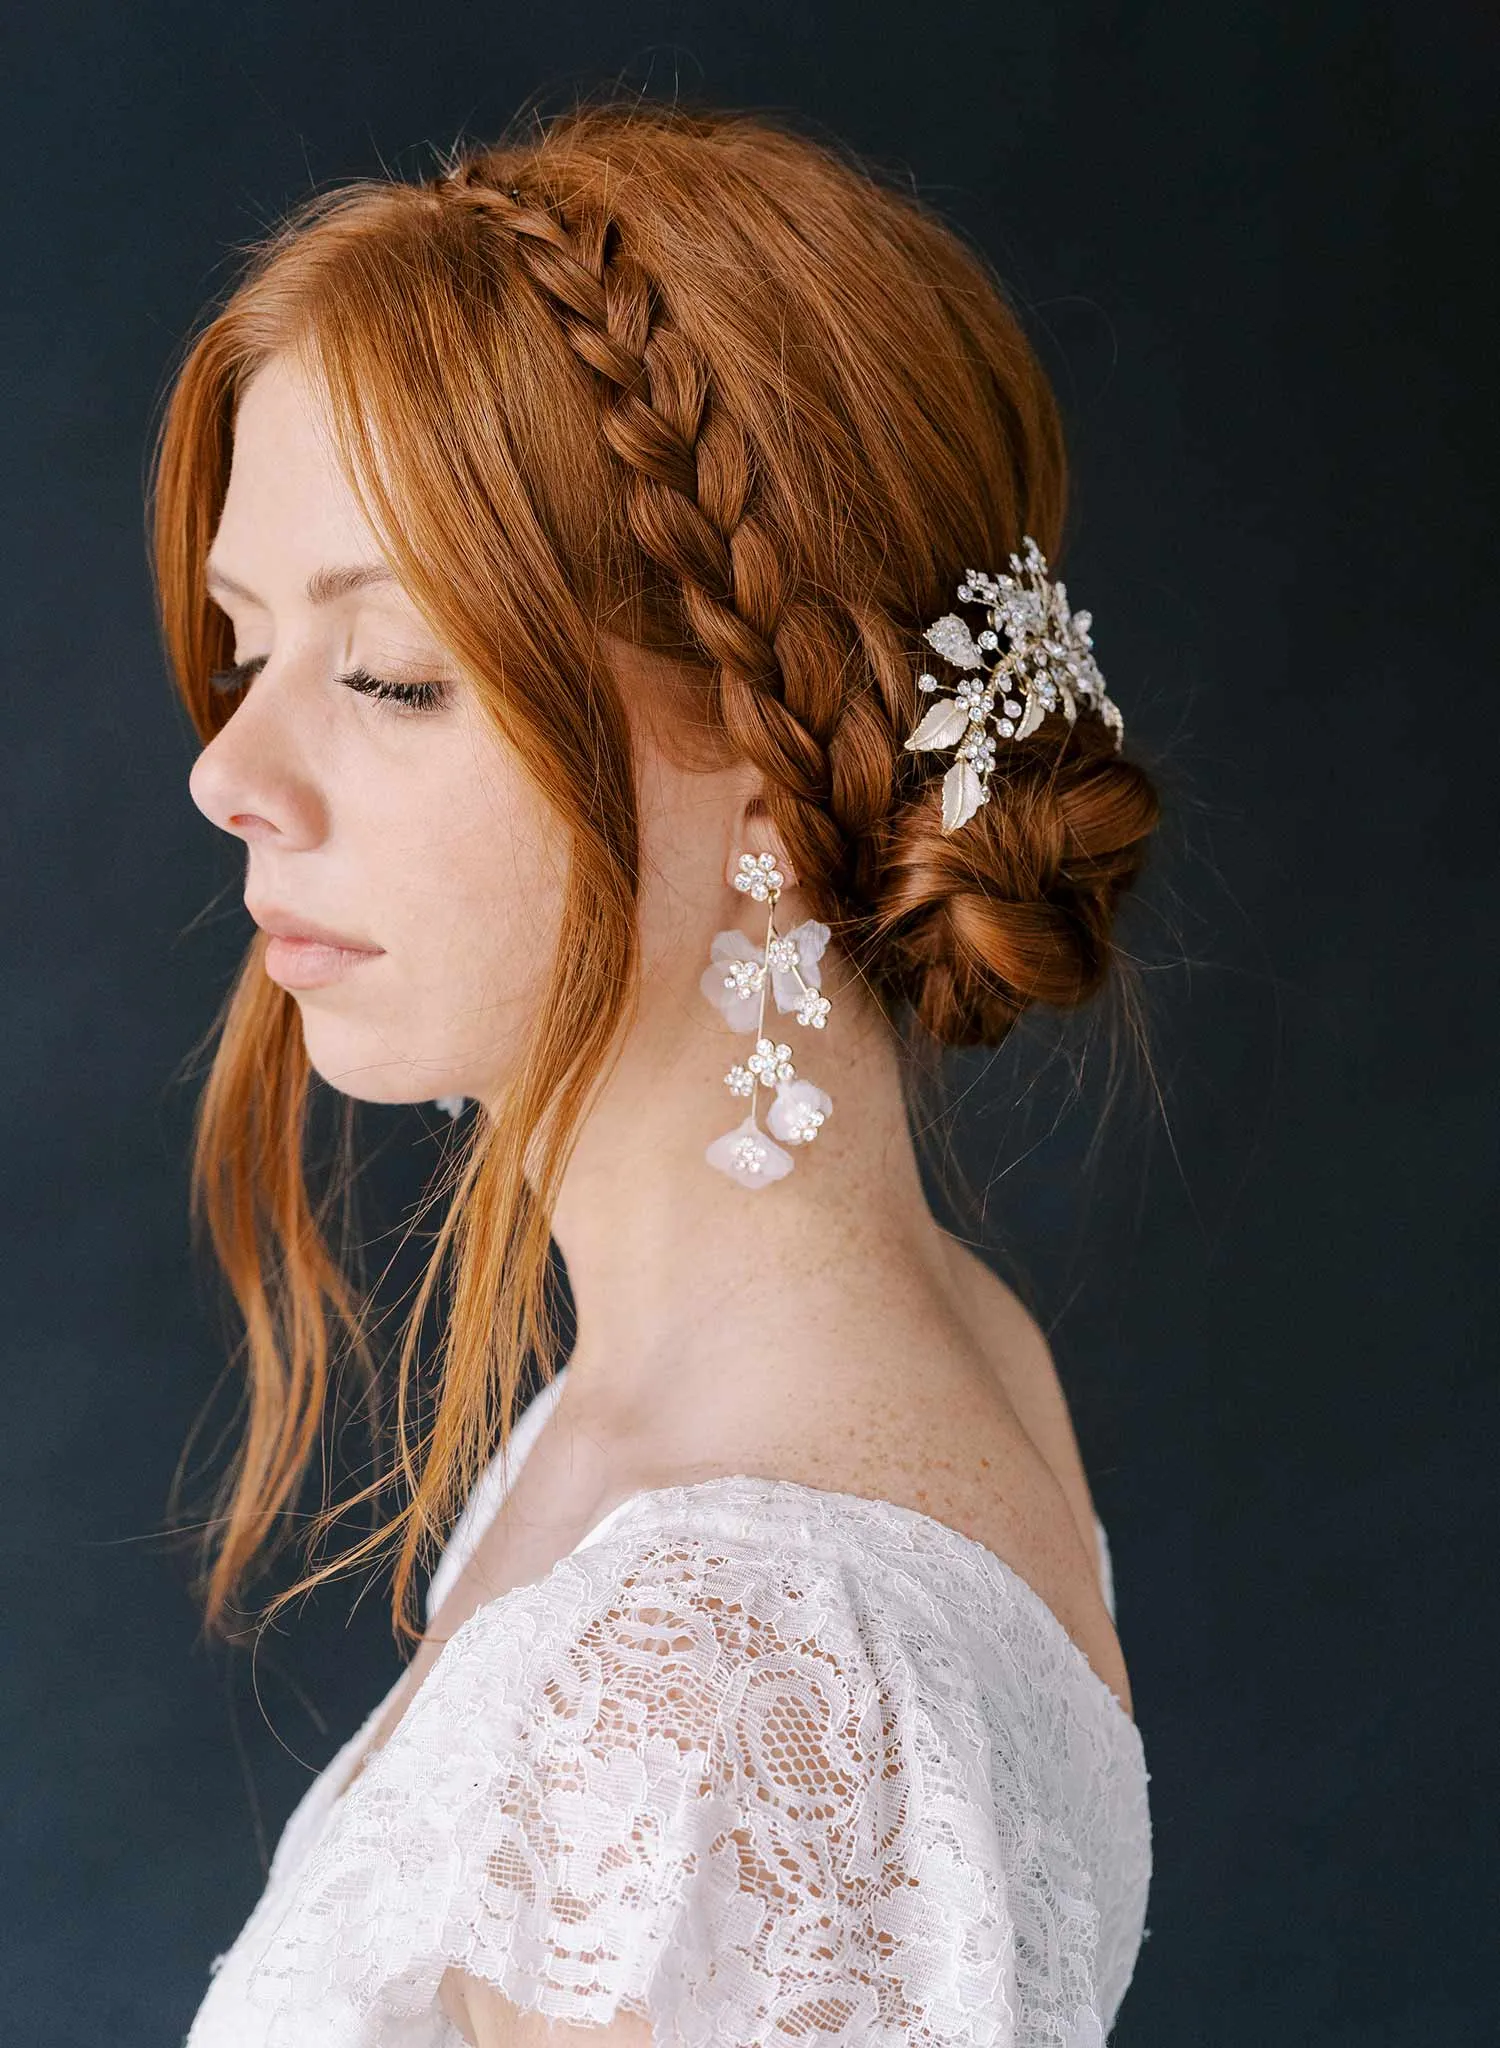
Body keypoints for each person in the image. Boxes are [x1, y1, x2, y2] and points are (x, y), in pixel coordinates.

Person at [155, 95, 1158, 2048]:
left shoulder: (731, 1655)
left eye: (387, 674)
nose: (228, 772)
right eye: (244, 645)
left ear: (769, 736)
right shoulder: (871, 1360)